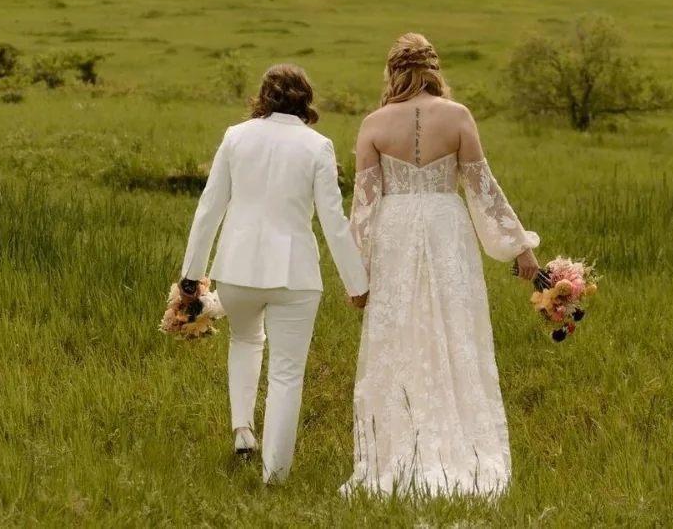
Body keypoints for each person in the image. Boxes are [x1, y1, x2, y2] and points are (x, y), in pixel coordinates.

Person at [344, 33, 540, 497]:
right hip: (446, 229)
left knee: (399, 336)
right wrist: (519, 248)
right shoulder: (458, 117)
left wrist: (357, 276)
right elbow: (481, 189)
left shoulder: (373, 124)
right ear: (434, 70)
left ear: (392, 71)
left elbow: (364, 209)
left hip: (395, 235)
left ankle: (400, 450)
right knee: (454, 333)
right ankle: (461, 447)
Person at [179, 63, 369, 484]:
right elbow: (333, 222)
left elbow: (210, 207)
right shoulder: (318, 146)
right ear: (307, 101)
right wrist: (358, 284)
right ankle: (275, 475)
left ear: (262, 98)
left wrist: (191, 275)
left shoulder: (236, 136)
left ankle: (243, 430)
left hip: (237, 269)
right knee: (287, 374)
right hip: (295, 275)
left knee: (245, 340)